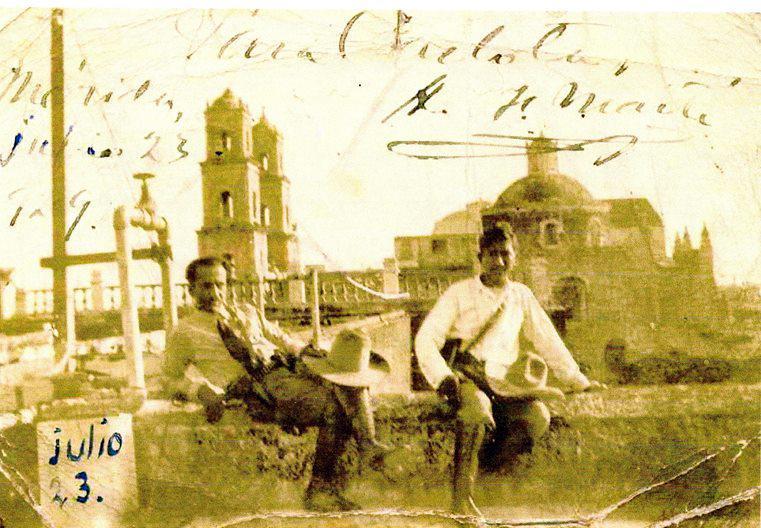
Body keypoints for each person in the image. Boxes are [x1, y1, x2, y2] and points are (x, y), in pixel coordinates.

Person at [161, 256, 391, 512]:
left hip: (285, 370)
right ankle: (321, 488)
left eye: (220, 285)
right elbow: (168, 378)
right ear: (191, 289)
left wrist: (307, 352)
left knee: (348, 369)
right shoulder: (184, 332)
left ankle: (366, 444)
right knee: (333, 406)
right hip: (257, 389)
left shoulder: (246, 310)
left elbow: (280, 337)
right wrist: (200, 390)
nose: (215, 292)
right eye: (206, 286)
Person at [415, 225, 604, 516]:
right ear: (480, 257)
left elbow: (546, 339)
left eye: (505, 254)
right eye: (492, 254)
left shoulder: (521, 296)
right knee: (476, 412)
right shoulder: (459, 293)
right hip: (469, 377)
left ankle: (485, 474)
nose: (499, 262)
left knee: (536, 418)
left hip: (506, 383)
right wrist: (443, 377)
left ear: (514, 258)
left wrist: (577, 380)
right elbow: (426, 337)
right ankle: (460, 503)